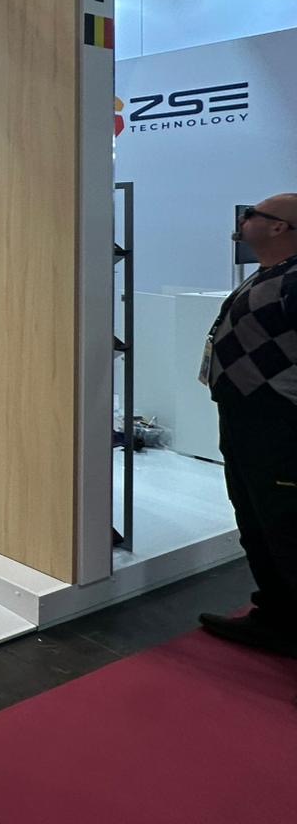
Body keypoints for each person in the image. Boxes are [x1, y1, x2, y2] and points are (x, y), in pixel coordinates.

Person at [198, 193, 297, 656]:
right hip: (247, 419)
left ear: (279, 227)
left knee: (285, 523)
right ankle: (276, 616)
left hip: (280, 423)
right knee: (257, 519)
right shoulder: (270, 274)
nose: (245, 217)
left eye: (255, 213)